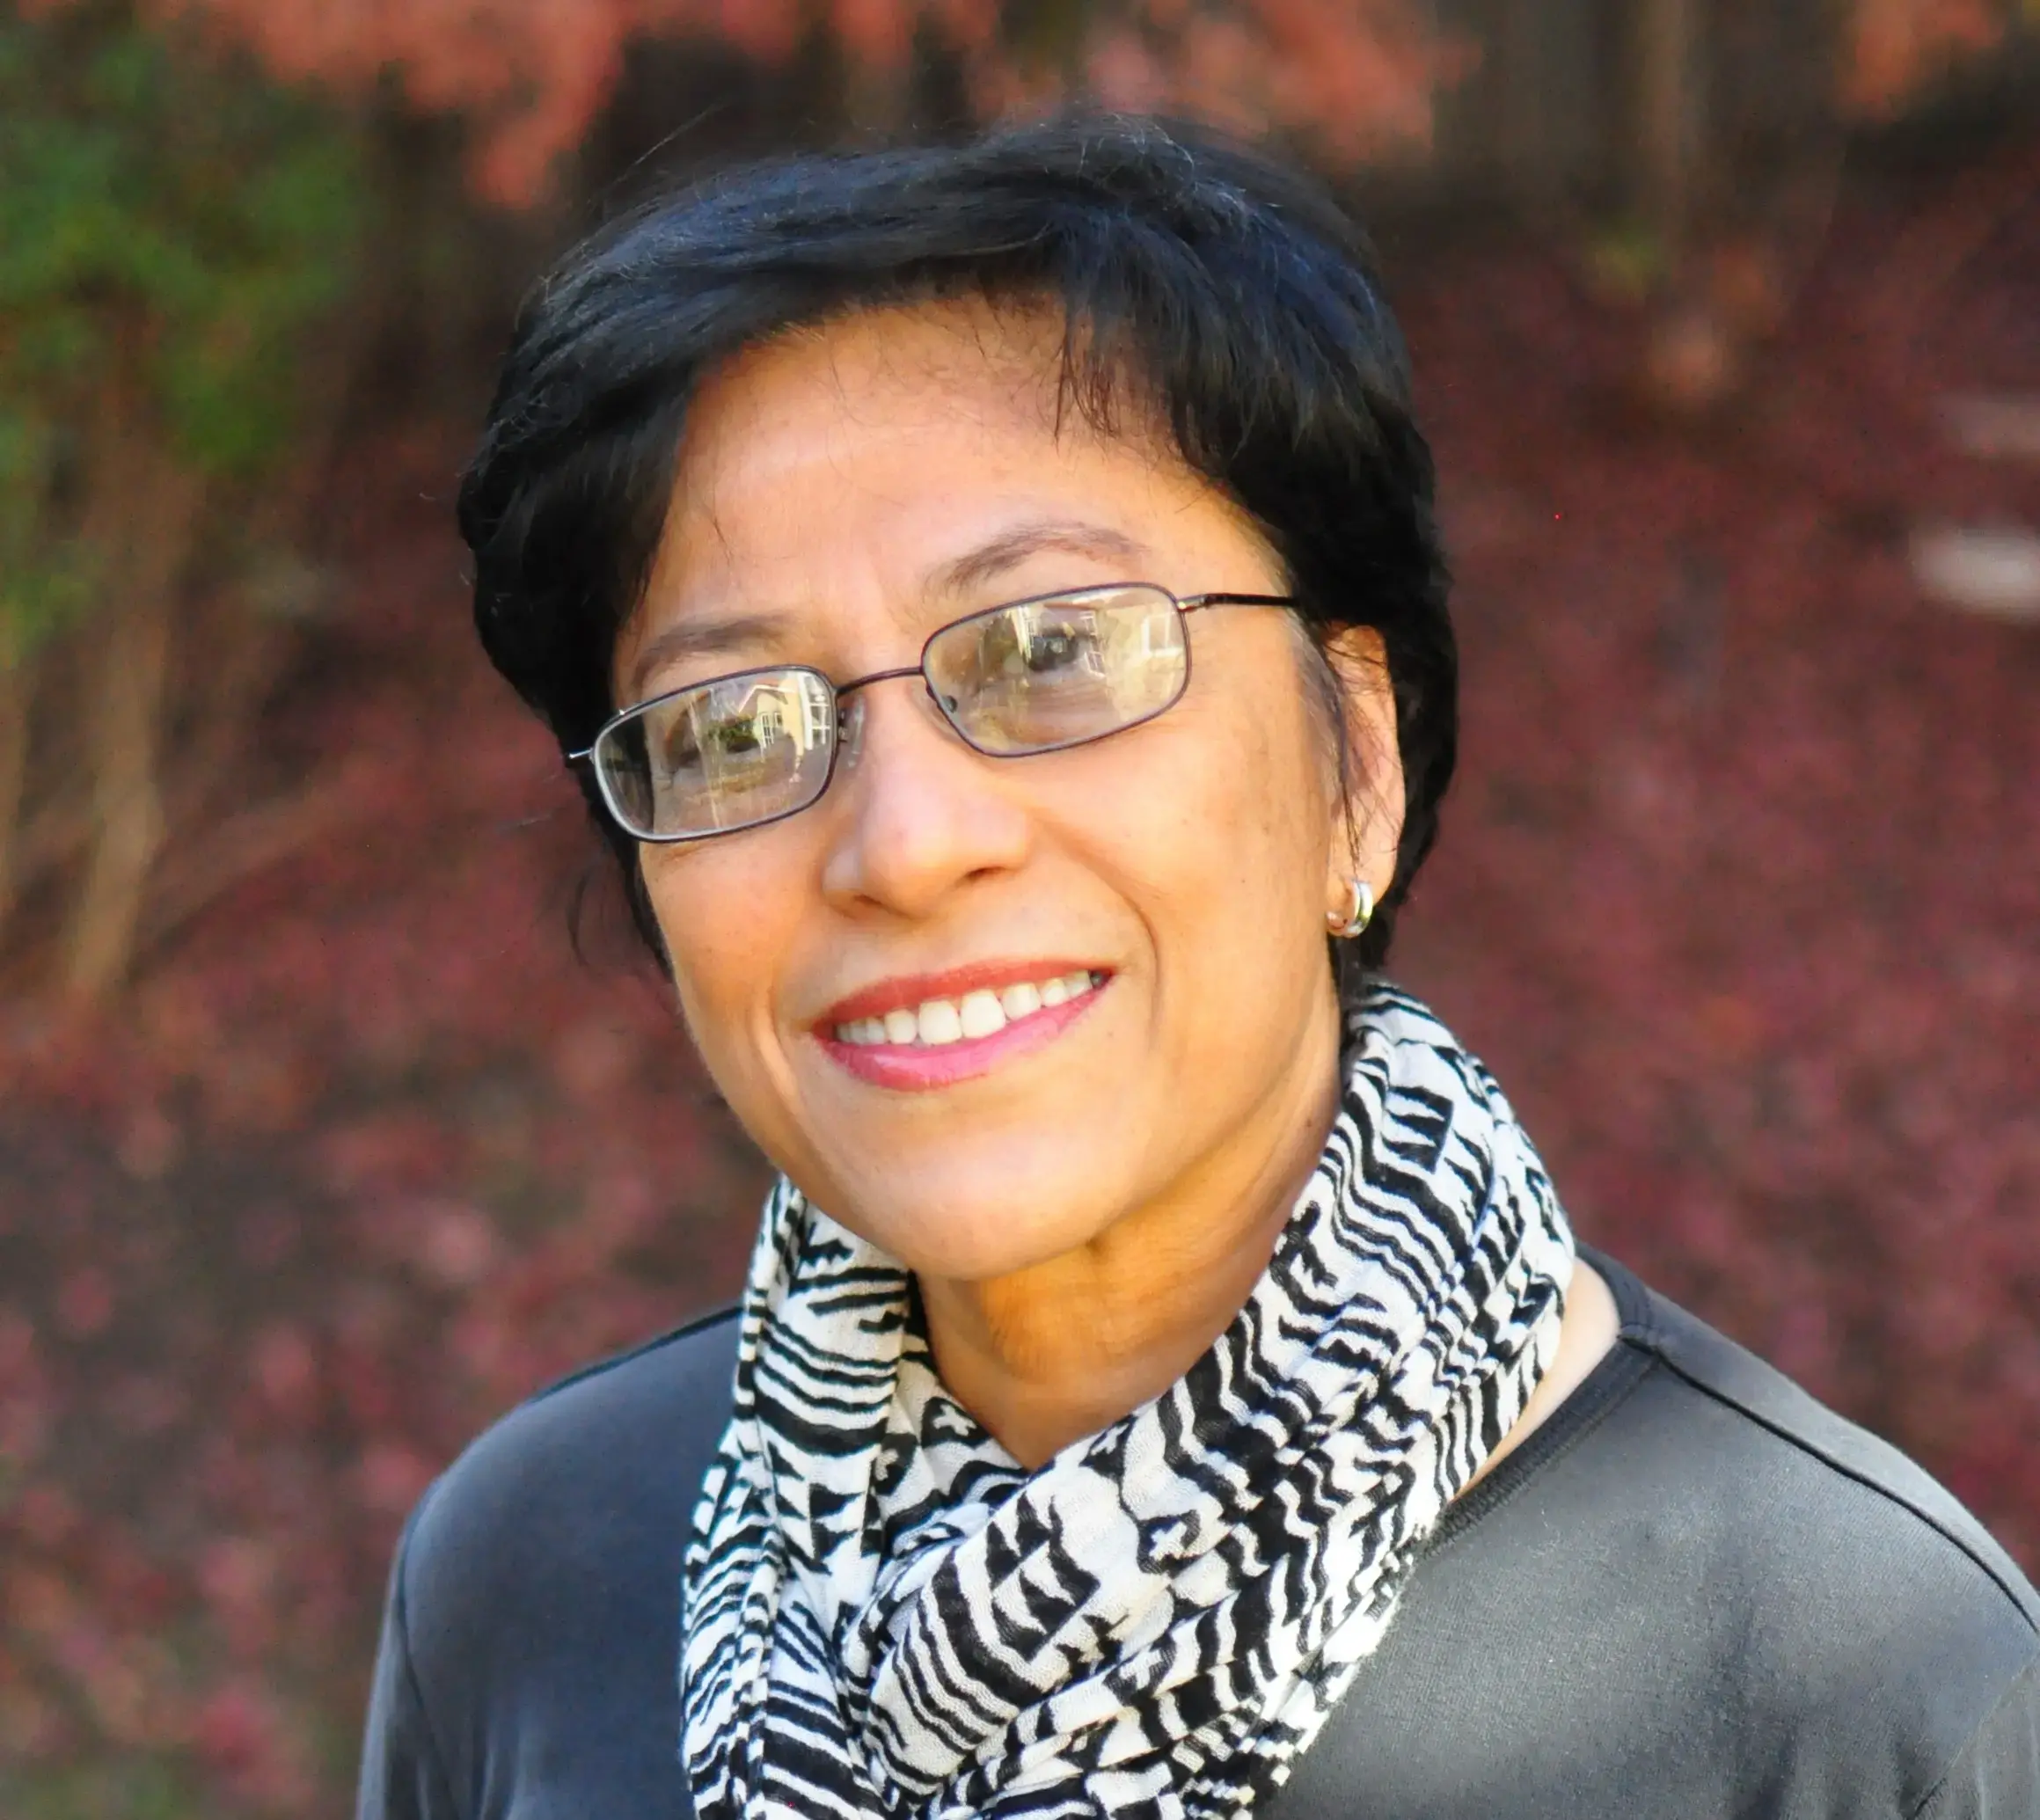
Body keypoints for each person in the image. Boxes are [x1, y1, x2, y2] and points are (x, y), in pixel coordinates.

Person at [356, 117, 2038, 1820]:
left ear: (1354, 765)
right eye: (730, 728)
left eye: (1051, 651)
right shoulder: (535, 1582)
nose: (903, 844)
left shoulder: (1851, 1696)